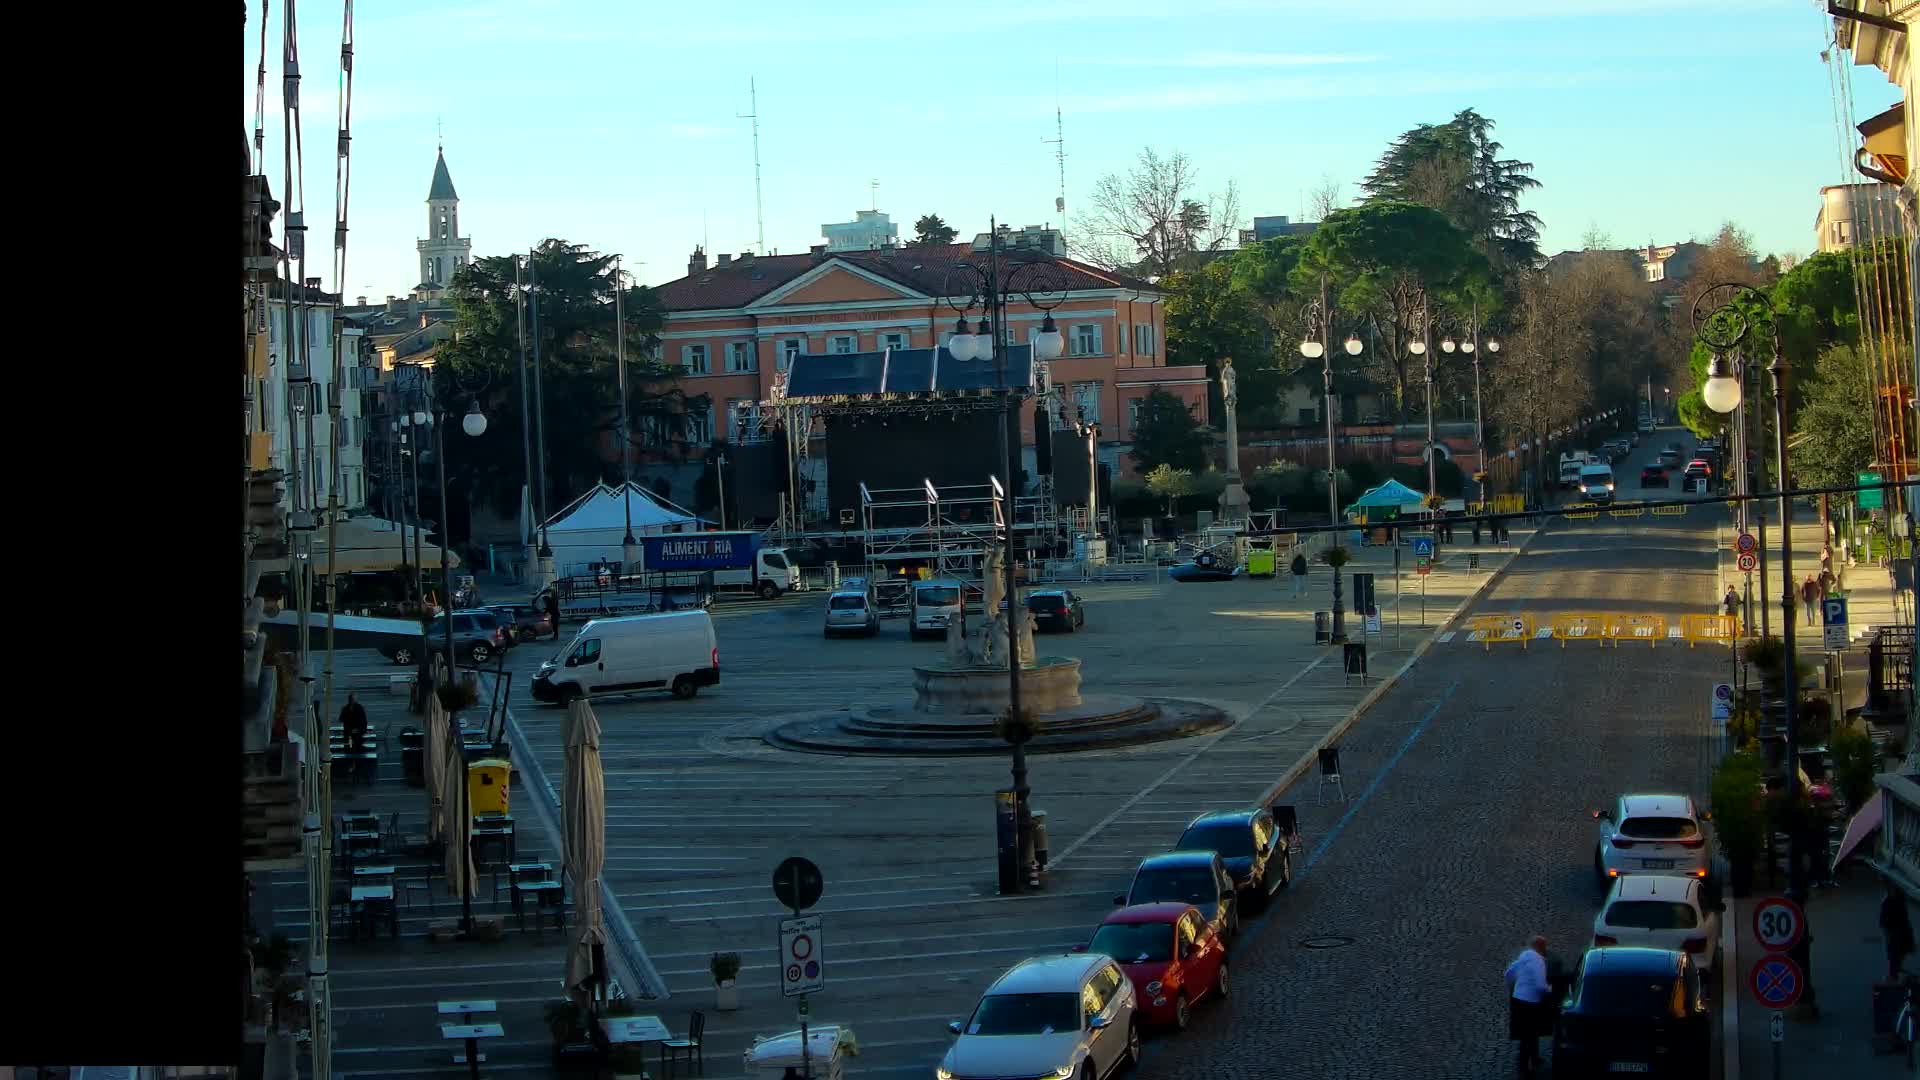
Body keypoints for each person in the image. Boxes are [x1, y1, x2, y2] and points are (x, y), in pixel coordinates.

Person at [1504, 935, 1552, 1078]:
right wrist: (1550, 989)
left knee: (1527, 1034)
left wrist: (1515, 987)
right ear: (1541, 947)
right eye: (1545, 946)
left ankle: (1534, 1058)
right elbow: (1540, 986)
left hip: (1518, 999)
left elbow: (1508, 974)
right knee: (1529, 1035)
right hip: (1531, 1002)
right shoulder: (1539, 962)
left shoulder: (1523, 958)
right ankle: (1524, 1068)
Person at [1882, 881, 1915, 981]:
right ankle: (1894, 973)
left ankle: (1894, 974)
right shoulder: (1891, 902)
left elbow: (1886, 923)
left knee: (1896, 953)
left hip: (1899, 932)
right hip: (1898, 932)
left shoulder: (1893, 901)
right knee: (1895, 954)